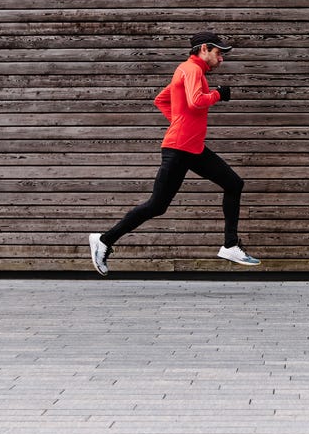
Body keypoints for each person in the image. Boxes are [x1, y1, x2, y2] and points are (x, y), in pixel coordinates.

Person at [88, 31, 260, 276]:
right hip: (179, 148)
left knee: (234, 183)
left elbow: (161, 99)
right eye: (218, 52)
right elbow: (195, 101)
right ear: (203, 49)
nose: (221, 59)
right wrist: (219, 95)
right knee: (156, 206)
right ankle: (104, 240)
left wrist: (179, 122)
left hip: (192, 147)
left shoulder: (186, 71)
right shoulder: (192, 70)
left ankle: (230, 245)